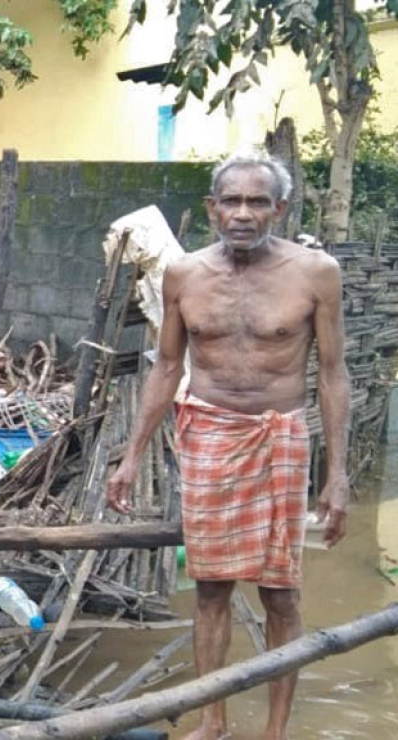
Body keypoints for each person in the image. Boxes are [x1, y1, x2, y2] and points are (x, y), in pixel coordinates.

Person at [106, 152, 350, 740]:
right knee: (211, 587)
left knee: (282, 593)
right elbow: (167, 366)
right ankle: (212, 720)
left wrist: (338, 472)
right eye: (232, 201)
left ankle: (274, 731)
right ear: (212, 208)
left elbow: (335, 373)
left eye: (257, 202)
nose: (243, 213)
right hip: (210, 435)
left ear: (279, 209)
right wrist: (132, 454)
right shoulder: (184, 274)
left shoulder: (316, 273)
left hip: (280, 438)